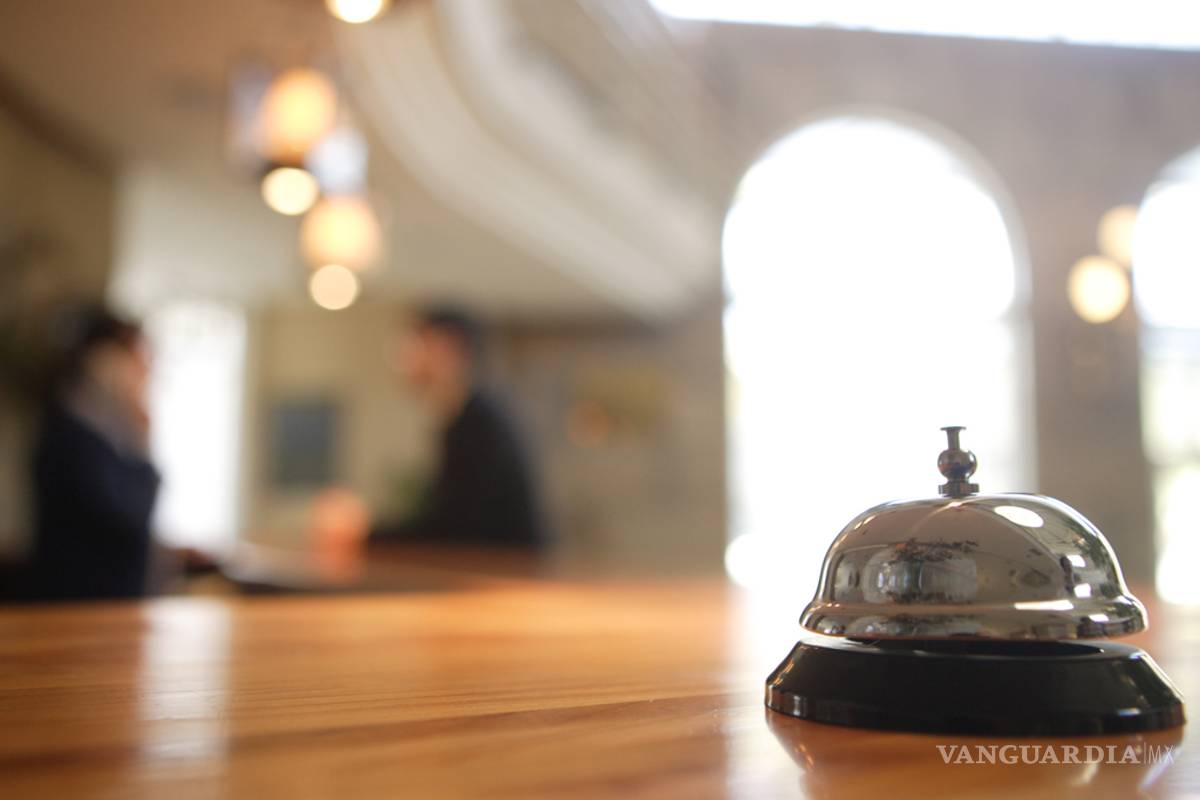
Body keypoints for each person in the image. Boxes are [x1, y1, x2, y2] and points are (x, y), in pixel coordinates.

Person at [371, 307, 548, 548]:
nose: (405, 361)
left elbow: (456, 526)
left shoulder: (481, 424)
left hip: (505, 567)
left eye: (417, 346)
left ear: (450, 350)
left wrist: (368, 536)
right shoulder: (464, 419)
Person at [29, 306, 160, 599]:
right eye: (136, 359)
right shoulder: (72, 438)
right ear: (103, 363)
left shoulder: (107, 436)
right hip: (74, 608)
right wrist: (141, 436)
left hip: (110, 607)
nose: (144, 372)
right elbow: (127, 519)